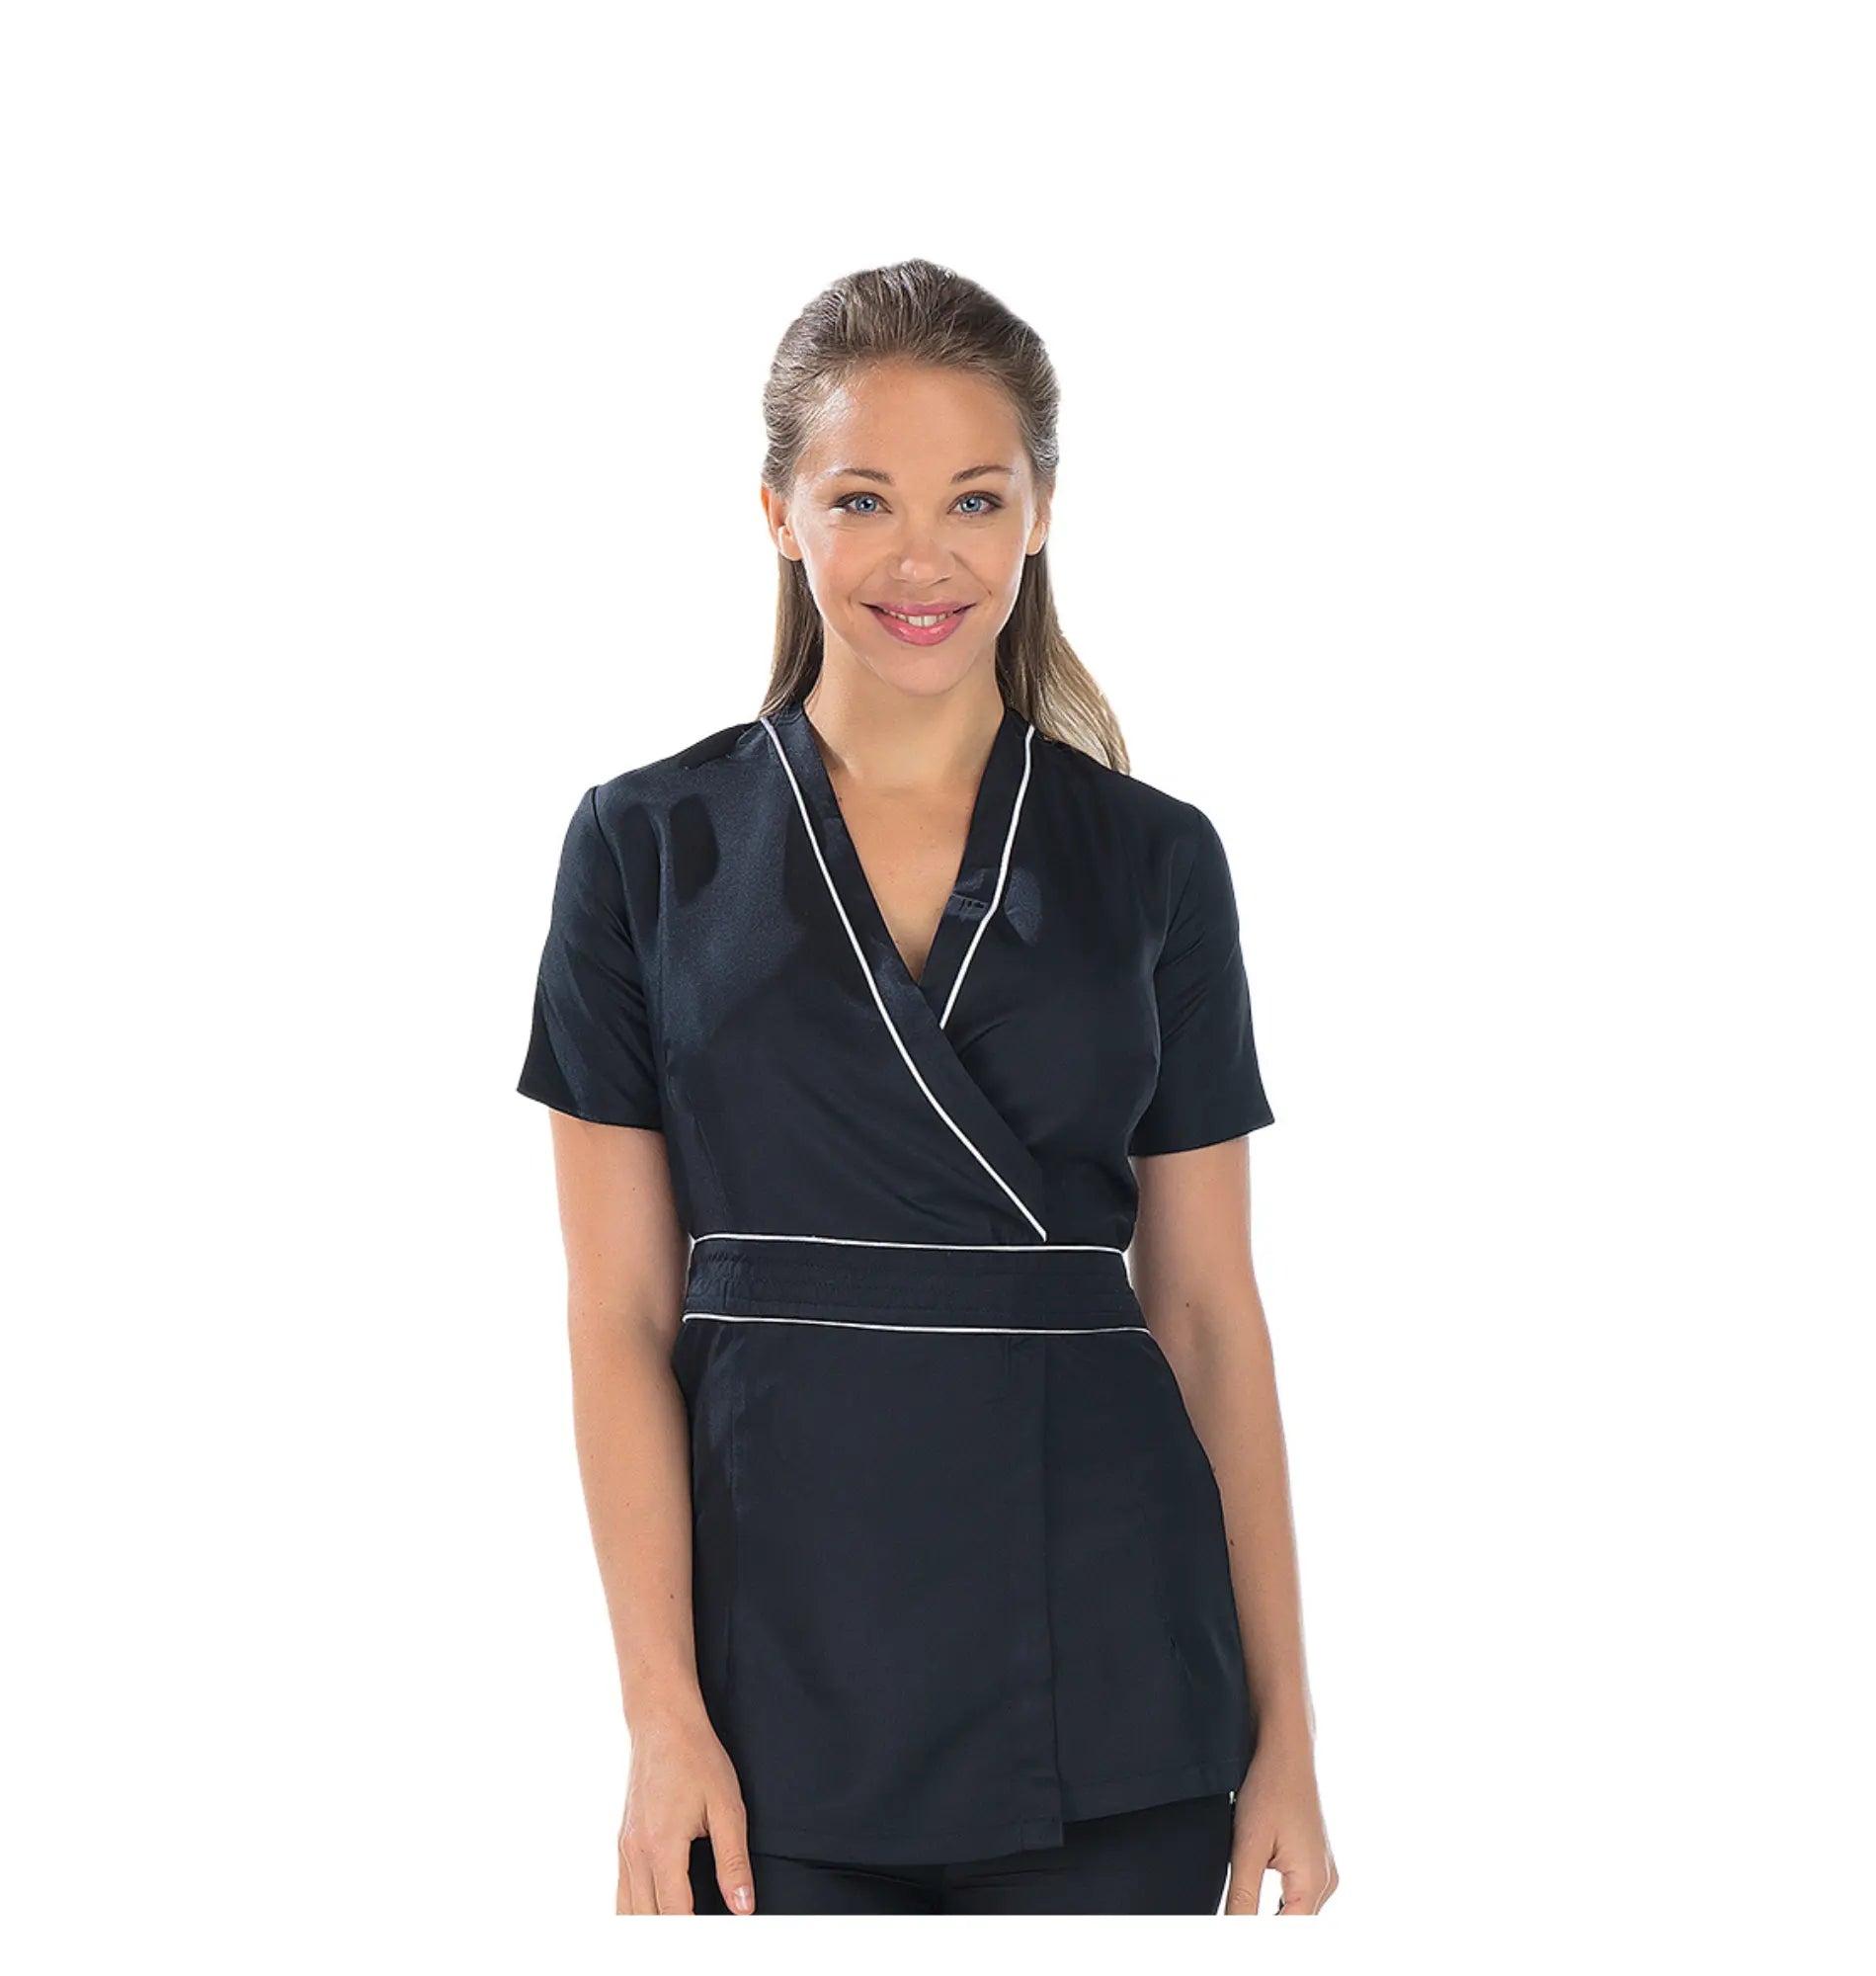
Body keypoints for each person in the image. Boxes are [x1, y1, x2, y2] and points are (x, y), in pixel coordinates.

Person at [517, 259, 1337, 1917]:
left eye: (975, 498)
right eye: (862, 499)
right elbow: (616, 1314)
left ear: (1040, 515)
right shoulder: (644, 847)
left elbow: (1205, 1311)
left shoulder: (1156, 860)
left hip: (1116, 1669)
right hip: (778, 1674)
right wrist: (661, 1716)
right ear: (777, 514)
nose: (922, 559)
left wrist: (1290, 1738)